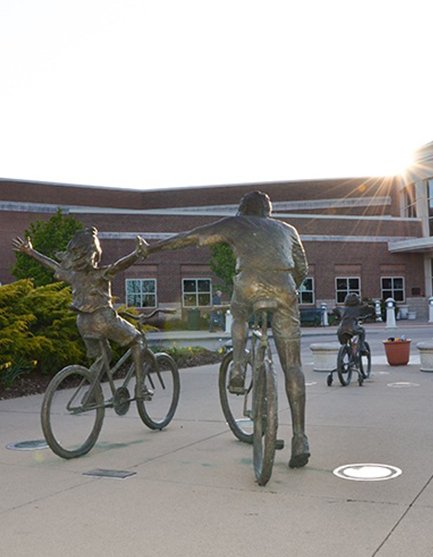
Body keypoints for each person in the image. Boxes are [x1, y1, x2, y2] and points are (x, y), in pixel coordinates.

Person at [148, 191, 310, 468]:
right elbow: (302, 268)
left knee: (238, 315)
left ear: (243, 210)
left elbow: (192, 236)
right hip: (285, 287)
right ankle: (300, 437)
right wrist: (287, 284)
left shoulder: (236, 223)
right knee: (292, 365)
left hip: (248, 283)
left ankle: (237, 367)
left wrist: (151, 249)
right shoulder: (287, 229)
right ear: (268, 211)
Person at [12, 227, 151, 400]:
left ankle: (91, 394)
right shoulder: (101, 273)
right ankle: (140, 387)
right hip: (103, 318)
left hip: (83, 322)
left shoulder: (73, 275)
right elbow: (120, 265)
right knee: (138, 341)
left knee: (103, 357)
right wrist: (137, 254)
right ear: (95, 254)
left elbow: (53, 266)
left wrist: (31, 252)